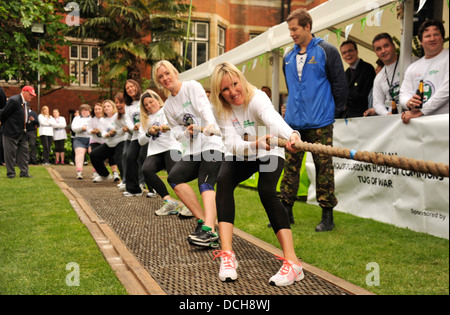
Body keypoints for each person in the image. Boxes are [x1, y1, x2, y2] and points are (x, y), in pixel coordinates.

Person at [210, 62, 303, 286]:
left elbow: (272, 118)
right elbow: (232, 144)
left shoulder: (257, 97)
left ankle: (293, 263)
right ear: (219, 93)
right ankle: (228, 255)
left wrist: (292, 135)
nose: (233, 92)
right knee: (222, 181)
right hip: (244, 151)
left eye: (235, 84)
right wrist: (254, 144)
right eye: (225, 89)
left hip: (271, 150)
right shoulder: (220, 108)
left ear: (241, 79)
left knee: (266, 191)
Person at [283, 8, 347, 232]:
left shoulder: (326, 50)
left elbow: (340, 86)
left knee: (324, 169)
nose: (291, 34)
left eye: (295, 29)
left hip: (320, 123)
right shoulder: (287, 57)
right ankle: (286, 211)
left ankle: (327, 216)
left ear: (307, 26)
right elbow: (291, 87)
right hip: (293, 124)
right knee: (290, 167)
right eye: (289, 30)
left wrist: (332, 113)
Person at [153, 60, 224, 248]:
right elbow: (176, 133)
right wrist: (187, 133)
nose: (165, 78)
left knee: (205, 181)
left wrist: (208, 125)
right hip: (194, 149)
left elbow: (204, 108)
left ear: (175, 72)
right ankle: (204, 222)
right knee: (175, 177)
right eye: (160, 77)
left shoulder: (192, 86)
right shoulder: (168, 106)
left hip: (211, 143)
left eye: (167, 73)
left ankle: (209, 232)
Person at [138, 89, 187, 216]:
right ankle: (169, 202)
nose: (149, 106)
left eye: (151, 102)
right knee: (146, 170)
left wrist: (162, 127)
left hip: (172, 147)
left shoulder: (167, 110)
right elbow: (141, 141)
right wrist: (149, 132)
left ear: (157, 99)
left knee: (174, 176)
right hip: (155, 151)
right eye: (146, 105)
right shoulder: (145, 119)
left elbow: (178, 125)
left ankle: (188, 205)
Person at [400, 20, 449, 124]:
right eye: (427, 36)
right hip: (420, 127)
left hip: (444, 124)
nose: (432, 39)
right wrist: (409, 102)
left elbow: (446, 92)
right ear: (421, 41)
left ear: (442, 38)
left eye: (436, 34)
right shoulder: (413, 67)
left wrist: (422, 110)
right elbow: (403, 94)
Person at [0, 85, 36, 178]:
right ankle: (11, 173)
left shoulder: (26, 103)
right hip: (10, 132)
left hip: (22, 132)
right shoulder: (14, 100)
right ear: (24, 92)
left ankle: (24, 172)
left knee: (24, 153)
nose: (32, 97)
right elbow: (3, 113)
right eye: (31, 95)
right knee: (10, 154)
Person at [122, 79, 148, 197]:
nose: (130, 89)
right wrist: (134, 128)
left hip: (148, 134)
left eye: (132, 86)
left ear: (137, 86)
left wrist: (143, 125)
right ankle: (133, 189)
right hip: (136, 136)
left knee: (144, 159)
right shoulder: (127, 106)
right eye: (128, 88)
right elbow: (128, 121)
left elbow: (151, 113)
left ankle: (151, 188)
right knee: (130, 157)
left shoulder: (144, 98)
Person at [90, 100, 126, 183]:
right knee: (94, 155)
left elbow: (124, 128)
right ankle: (105, 175)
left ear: (113, 107)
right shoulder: (102, 119)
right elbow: (103, 132)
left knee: (119, 159)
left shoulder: (118, 116)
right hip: (109, 144)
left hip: (120, 142)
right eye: (104, 107)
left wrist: (115, 131)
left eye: (108, 106)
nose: (106, 108)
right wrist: (107, 134)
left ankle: (125, 181)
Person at [368, 33, 402, 116]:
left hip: (414, 115)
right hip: (392, 119)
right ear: (375, 53)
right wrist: (387, 114)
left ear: (393, 46)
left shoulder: (410, 62)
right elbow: (377, 103)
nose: (383, 51)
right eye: (378, 49)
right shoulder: (379, 77)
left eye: (386, 46)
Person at [340, 40, 376, 118]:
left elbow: (366, 95)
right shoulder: (346, 73)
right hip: (348, 117)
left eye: (350, 50)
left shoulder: (367, 68)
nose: (348, 54)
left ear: (357, 51)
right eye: (344, 53)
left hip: (363, 115)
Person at [71, 104, 92, 179]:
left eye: (86, 110)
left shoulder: (93, 118)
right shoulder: (76, 118)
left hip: (91, 138)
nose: (85, 111)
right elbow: (74, 128)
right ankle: (79, 172)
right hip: (79, 138)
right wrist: (81, 128)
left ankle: (96, 172)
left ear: (90, 111)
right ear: (80, 111)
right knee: (79, 153)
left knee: (93, 153)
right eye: (83, 110)